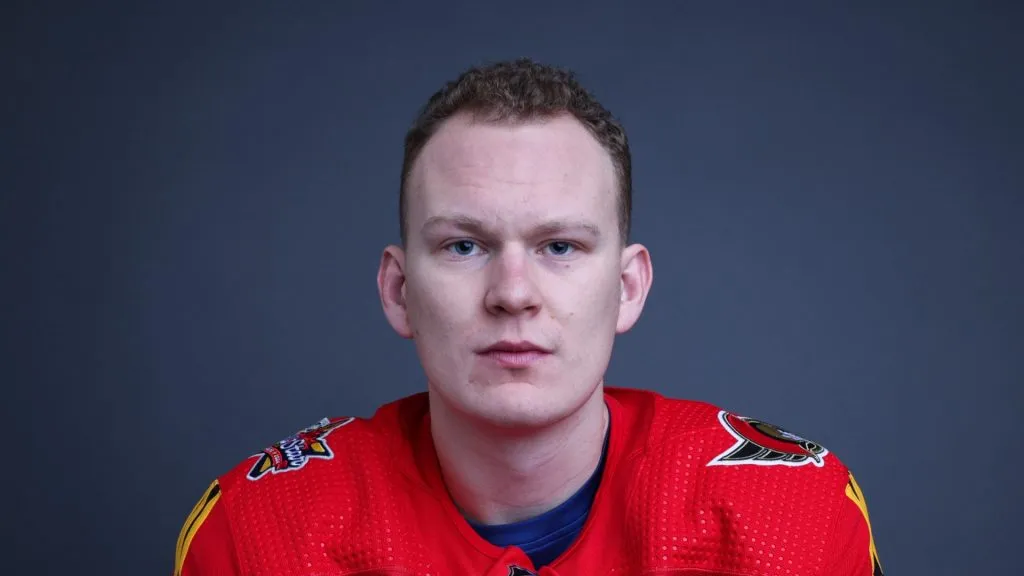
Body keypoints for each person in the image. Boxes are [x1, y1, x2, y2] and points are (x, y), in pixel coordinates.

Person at [173, 58, 883, 576]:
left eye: (560, 246)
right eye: (463, 245)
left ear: (629, 288)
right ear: (398, 291)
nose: (513, 292)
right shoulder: (261, 534)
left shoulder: (790, 520)